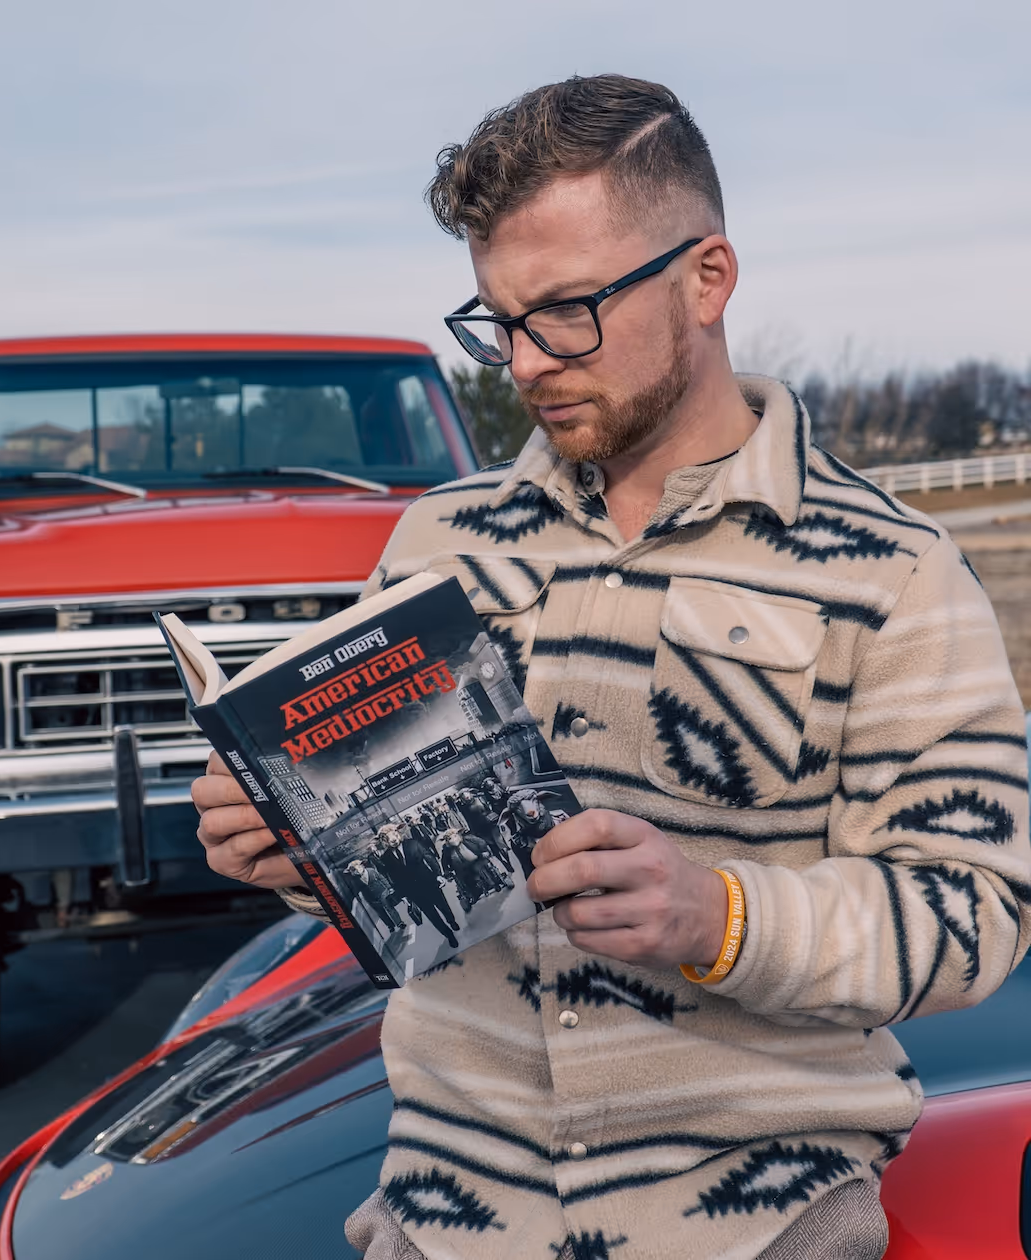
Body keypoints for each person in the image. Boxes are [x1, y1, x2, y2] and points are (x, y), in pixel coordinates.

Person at [192, 74, 1031, 1260]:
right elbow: (397, 890)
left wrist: (714, 913)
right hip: (446, 1223)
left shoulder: (894, 569)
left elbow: (972, 911)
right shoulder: (434, 547)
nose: (523, 363)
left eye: (566, 311)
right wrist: (295, 853)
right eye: (498, 320)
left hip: (760, 1229)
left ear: (708, 278)